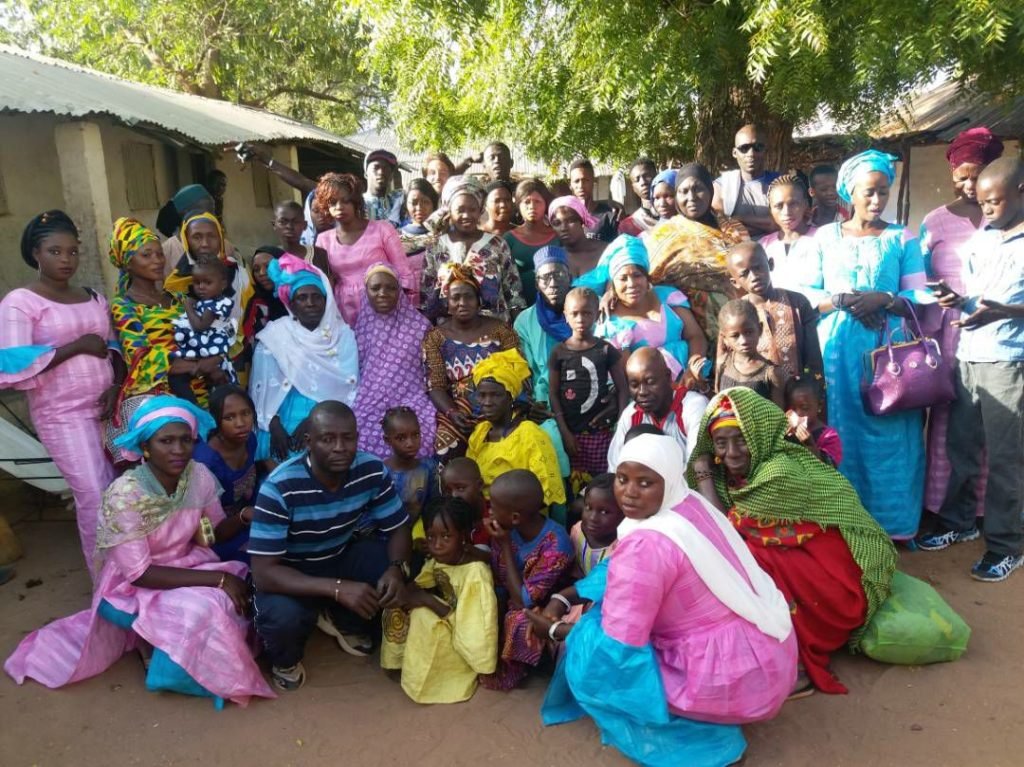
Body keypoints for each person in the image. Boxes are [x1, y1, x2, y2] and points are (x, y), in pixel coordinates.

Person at [541, 434, 796, 766]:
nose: (630, 492)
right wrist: (567, 596)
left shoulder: (646, 546)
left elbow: (621, 643)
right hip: (761, 652)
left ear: (667, 480)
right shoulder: (688, 504)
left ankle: (704, 741)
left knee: (590, 658)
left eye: (645, 482)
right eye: (622, 478)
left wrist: (561, 632)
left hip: (719, 670)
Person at [4, 396, 276, 706]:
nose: (178, 450)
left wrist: (243, 516)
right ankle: (176, 674)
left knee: (244, 580)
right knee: (208, 606)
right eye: (166, 441)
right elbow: (139, 573)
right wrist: (217, 579)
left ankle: (188, 658)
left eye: (185, 440)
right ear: (145, 447)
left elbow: (209, 535)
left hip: (189, 563)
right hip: (133, 585)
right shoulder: (125, 496)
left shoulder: (197, 475)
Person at [689, 389, 897, 694]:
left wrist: (704, 476)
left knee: (749, 559)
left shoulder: (778, 472)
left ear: (759, 434)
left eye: (741, 439)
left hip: (842, 586)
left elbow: (724, 532)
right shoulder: (735, 474)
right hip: (811, 565)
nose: (731, 452)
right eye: (721, 443)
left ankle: (797, 662)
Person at [805, 149, 930, 539]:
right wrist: (842, 300)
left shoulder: (901, 238)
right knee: (844, 433)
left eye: (883, 192)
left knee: (893, 434)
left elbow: (919, 296)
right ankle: (847, 525)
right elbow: (808, 295)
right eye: (869, 193)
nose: (877, 201)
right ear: (850, 194)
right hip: (839, 353)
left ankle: (894, 527)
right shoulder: (825, 238)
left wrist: (885, 300)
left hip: (889, 355)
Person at [249, 401, 411, 690]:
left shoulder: (371, 470)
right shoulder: (279, 487)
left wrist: (397, 569)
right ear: (309, 442)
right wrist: (337, 587)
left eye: (348, 438)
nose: (340, 447)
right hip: (290, 571)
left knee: (398, 570)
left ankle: (341, 618)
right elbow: (264, 573)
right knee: (281, 618)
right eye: (328, 439)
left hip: (339, 554)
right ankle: (285, 659)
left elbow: (397, 526)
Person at [917, 156, 1024, 582]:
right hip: (968, 354)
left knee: (1005, 459)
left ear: (1020, 193)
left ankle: (1006, 545)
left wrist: (1005, 312)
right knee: (960, 447)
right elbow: (977, 299)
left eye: (995, 202)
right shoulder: (982, 237)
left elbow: (1000, 307)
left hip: (1009, 362)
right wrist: (954, 299)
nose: (989, 210)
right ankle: (959, 522)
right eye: (983, 202)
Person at [0, 211, 119, 577]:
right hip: (62, 415)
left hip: (105, 408)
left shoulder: (92, 297)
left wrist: (115, 386)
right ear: (36, 253)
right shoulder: (20, 303)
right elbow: (12, 364)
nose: (66, 260)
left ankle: (133, 575)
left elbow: (111, 344)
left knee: (119, 492)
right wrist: (76, 347)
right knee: (94, 495)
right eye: (55, 251)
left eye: (72, 252)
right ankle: (105, 582)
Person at [919, 127, 1003, 518]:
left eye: (978, 174)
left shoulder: (1006, 216)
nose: (970, 185)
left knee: (992, 420)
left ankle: (985, 508)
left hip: (997, 333)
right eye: (962, 176)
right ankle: (941, 506)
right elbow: (917, 279)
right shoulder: (934, 222)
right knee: (944, 424)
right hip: (945, 335)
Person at [379, 497, 497, 704]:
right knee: (398, 604)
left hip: (462, 634)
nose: (437, 545)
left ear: (462, 536)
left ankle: (436, 683)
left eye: (445, 537)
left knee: (424, 619)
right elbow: (420, 583)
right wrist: (404, 594)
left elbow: (473, 627)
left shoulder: (475, 573)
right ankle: (396, 663)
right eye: (431, 537)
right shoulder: (438, 561)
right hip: (449, 618)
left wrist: (426, 600)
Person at [250, 255, 359, 463]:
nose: (310, 303)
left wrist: (313, 420)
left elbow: (348, 387)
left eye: (316, 297)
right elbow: (261, 390)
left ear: (326, 302)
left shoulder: (343, 336)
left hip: (328, 415)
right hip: (278, 416)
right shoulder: (275, 335)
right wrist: (274, 426)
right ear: (291, 303)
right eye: (302, 297)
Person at [108, 218, 217, 421]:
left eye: (159, 254)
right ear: (127, 262)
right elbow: (142, 358)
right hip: (162, 404)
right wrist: (198, 365)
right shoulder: (124, 306)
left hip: (202, 394)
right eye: (146, 255)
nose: (157, 260)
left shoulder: (178, 298)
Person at [480, 470, 574, 690]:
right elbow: (497, 574)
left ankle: (517, 669)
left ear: (515, 517)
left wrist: (504, 545)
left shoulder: (556, 544)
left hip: (547, 606)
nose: (489, 510)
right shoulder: (507, 529)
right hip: (511, 593)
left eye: (493, 505)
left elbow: (525, 601)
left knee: (521, 620)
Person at [422, 267, 520, 458]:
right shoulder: (435, 338)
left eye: (468, 297)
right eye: (455, 298)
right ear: (447, 305)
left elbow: (519, 372)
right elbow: (436, 386)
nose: (462, 303)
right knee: (444, 444)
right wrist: (452, 413)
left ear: (478, 302)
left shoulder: (501, 331)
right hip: (459, 410)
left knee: (515, 442)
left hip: (500, 405)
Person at [646, 162, 749, 342]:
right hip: (686, 331)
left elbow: (750, 271)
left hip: (738, 327)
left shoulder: (733, 228)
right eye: (683, 191)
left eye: (698, 188)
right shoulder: (663, 235)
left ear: (710, 190)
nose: (691, 197)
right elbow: (647, 279)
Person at [584, 234, 709, 381]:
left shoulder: (668, 297)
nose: (631, 284)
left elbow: (695, 336)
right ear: (613, 284)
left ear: (646, 277)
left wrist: (692, 370)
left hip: (690, 381)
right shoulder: (610, 322)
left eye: (637, 275)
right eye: (623, 278)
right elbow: (622, 377)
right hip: (647, 395)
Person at [352, 264, 436, 460]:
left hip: (413, 403)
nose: (383, 293)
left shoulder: (420, 327)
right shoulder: (357, 331)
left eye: (391, 288)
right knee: (360, 442)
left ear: (400, 291)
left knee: (419, 441)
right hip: (368, 404)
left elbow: (432, 373)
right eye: (375, 288)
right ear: (366, 292)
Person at [467, 350, 567, 507]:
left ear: (510, 397)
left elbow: (546, 489)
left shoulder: (529, 433)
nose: (487, 402)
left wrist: (507, 516)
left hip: (521, 515)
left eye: (495, 395)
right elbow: (470, 480)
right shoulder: (479, 434)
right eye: (482, 395)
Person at [314, 172, 416, 325]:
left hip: (386, 306)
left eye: (346, 201)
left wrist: (407, 312)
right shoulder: (323, 240)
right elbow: (324, 283)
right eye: (333, 202)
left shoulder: (382, 229)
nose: (339, 207)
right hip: (344, 312)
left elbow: (404, 274)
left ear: (356, 202)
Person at [421, 175, 526, 323]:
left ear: (480, 210)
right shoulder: (435, 247)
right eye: (460, 210)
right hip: (450, 335)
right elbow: (427, 298)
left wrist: (517, 333)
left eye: (472, 209)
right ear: (449, 210)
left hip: (494, 333)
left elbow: (514, 294)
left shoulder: (497, 244)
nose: (467, 215)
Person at [549, 287, 628, 476]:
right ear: (565, 315)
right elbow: (553, 393)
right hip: (571, 433)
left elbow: (623, 388)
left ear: (597, 314)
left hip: (602, 434)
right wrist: (565, 432)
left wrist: (621, 426)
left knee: (605, 479)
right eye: (574, 314)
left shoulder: (606, 350)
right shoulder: (558, 352)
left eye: (586, 313)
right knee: (576, 484)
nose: (580, 319)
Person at [725, 241, 823, 382]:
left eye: (758, 268)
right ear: (735, 282)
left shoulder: (798, 302)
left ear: (770, 264)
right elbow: (726, 361)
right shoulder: (734, 315)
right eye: (744, 274)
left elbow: (814, 357)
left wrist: (814, 385)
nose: (754, 277)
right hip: (756, 395)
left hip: (797, 393)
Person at [192, 384, 260, 563]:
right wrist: (244, 516)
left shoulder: (250, 440)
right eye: (229, 417)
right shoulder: (205, 461)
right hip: (220, 532)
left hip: (250, 515)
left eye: (246, 413)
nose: (241, 423)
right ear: (216, 421)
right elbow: (205, 528)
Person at [607, 347, 708, 468]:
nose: (642, 392)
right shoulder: (631, 415)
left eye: (650, 382)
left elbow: (697, 466)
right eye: (634, 385)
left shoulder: (693, 406)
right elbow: (615, 467)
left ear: (668, 377)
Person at [163, 212, 253, 339]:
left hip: (239, 349)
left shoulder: (238, 273)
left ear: (221, 239)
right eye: (197, 237)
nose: (205, 243)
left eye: (211, 236)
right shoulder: (175, 282)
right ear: (186, 240)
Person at [167, 259, 236, 402]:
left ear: (223, 284)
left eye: (207, 283)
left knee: (221, 393)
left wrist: (188, 306)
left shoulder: (215, 304)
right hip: (203, 350)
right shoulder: (205, 302)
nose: (201, 287)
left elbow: (200, 326)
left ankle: (194, 408)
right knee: (178, 380)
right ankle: (193, 407)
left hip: (210, 351)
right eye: (197, 282)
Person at [381, 407, 440, 548]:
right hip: (383, 541)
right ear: (387, 440)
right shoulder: (380, 472)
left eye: (415, 435)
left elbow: (433, 507)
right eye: (401, 438)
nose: (410, 443)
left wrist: (421, 534)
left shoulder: (429, 468)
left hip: (418, 539)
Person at [156, 184, 240, 279]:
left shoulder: (226, 247)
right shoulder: (167, 251)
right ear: (184, 213)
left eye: (212, 211)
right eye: (204, 210)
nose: (209, 216)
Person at [712, 124, 780, 238]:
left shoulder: (780, 183)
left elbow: (779, 223)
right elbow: (720, 227)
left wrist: (735, 218)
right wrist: (766, 225)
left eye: (758, 147)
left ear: (765, 151)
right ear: (734, 153)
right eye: (744, 148)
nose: (751, 154)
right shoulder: (721, 187)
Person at [715, 299, 786, 407]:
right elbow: (717, 402)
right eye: (735, 336)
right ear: (725, 338)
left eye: (749, 332)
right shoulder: (723, 364)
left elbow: (778, 417)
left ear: (760, 329)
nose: (743, 341)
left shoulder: (772, 373)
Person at [758, 175, 821, 295]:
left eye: (793, 204)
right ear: (770, 209)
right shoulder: (763, 246)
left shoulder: (823, 239)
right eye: (778, 206)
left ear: (805, 204)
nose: (786, 212)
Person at [504, 178, 558, 304]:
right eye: (526, 202)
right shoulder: (509, 238)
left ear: (545, 204)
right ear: (518, 205)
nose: (532, 207)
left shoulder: (557, 236)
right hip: (520, 308)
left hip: (555, 307)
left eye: (537, 202)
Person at [784, 375, 842, 467]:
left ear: (819, 405)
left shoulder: (829, 437)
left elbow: (830, 468)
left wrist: (811, 445)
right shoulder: (787, 430)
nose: (798, 413)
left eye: (804, 408)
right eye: (793, 408)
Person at [548, 195, 609, 280]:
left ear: (582, 221)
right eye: (557, 223)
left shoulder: (607, 251)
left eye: (570, 221)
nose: (563, 228)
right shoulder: (553, 258)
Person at [242, 245, 288, 344]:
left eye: (268, 266)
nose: (262, 273)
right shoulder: (256, 304)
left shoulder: (299, 297)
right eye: (256, 269)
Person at [568, 158, 622, 242]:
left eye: (585, 180)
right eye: (576, 181)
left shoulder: (610, 214)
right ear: (570, 184)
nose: (581, 186)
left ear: (594, 181)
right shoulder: (566, 217)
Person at [270, 200, 330, 274]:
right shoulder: (270, 257)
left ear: (304, 225)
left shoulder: (319, 255)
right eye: (283, 222)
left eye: (296, 222)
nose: (289, 226)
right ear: (274, 225)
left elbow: (328, 283)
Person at [398, 177, 441, 282]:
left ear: (433, 204)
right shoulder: (396, 236)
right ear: (405, 205)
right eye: (414, 202)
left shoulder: (442, 235)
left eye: (425, 202)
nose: (419, 207)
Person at [617, 157, 659, 237]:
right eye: (637, 180)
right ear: (633, 187)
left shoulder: (675, 216)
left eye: (647, 176)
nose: (643, 182)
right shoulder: (627, 226)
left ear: (657, 177)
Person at [363, 149, 406, 227]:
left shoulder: (398, 200)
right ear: (366, 173)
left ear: (391, 176)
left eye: (386, 168)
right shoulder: (357, 203)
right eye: (376, 167)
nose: (381, 172)